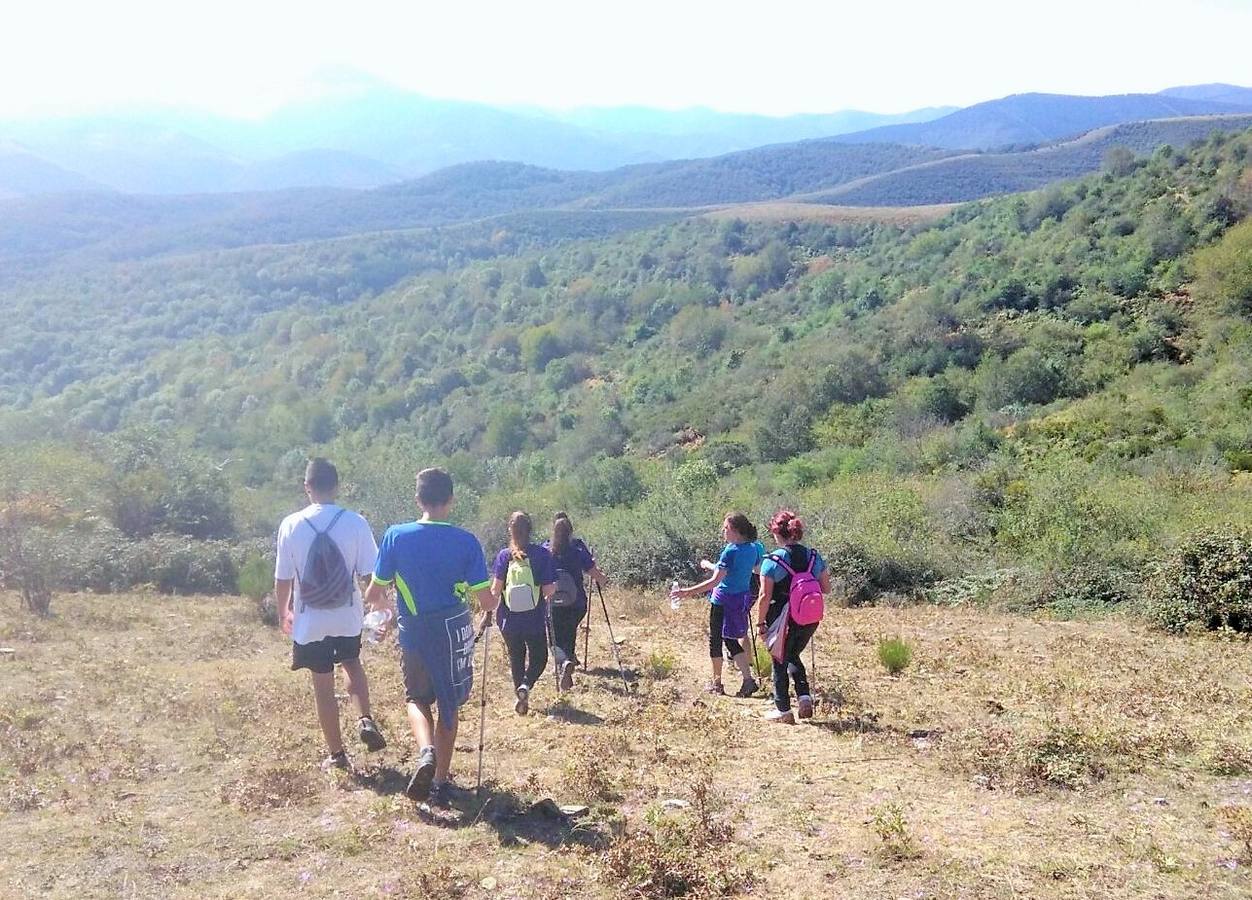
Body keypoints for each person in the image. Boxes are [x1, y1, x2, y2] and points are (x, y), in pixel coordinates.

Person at [363, 467, 494, 805]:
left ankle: (425, 752)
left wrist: (388, 614)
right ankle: (439, 782)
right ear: (451, 500)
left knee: (417, 699)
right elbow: (485, 600)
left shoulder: (395, 536)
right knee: (449, 706)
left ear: (418, 499)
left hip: (415, 631)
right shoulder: (466, 541)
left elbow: (374, 592)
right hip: (453, 630)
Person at [274, 458, 386, 771]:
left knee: (322, 683)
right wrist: (382, 607)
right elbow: (370, 574)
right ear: (337, 486)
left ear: (306, 487)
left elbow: (283, 578)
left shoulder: (291, 524)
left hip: (310, 619)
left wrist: (283, 611)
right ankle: (364, 718)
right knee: (351, 663)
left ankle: (337, 756)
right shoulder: (355, 522)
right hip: (346, 614)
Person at [671, 513, 763, 698]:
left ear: (736, 531)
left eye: (726, 528)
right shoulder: (753, 549)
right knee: (730, 639)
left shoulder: (731, 551)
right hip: (741, 599)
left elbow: (714, 582)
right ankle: (747, 679)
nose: (723, 531)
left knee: (716, 640)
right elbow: (752, 570)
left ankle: (717, 683)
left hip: (723, 600)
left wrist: (686, 592)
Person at [755, 510, 830, 724]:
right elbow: (827, 588)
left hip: (782, 618)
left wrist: (760, 623)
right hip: (809, 617)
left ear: (776, 532)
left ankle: (783, 710)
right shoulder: (814, 557)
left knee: (779, 658)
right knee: (792, 654)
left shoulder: (772, 561)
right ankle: (804, 696)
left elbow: (763, 596)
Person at [490, 511, 557, 716]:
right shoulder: (542, 554)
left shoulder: (503, 556)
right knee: (539, 657)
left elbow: (495, 590)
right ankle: (526, 685)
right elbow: (548, 590)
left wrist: (486, 614)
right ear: (530, 529)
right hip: (534, 619)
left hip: (508, 620)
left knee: (516, 657)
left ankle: (520, 697)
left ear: (510, 530)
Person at [543, 511, 607, 691]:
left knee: (556, 635)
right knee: (569, 630)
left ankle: (564, 662)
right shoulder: (577, 549)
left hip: (554, 602)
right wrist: (603, 580)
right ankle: (568, 660)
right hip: (576, 603)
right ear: (570, 531)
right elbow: (594, 572)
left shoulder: (547, 549)